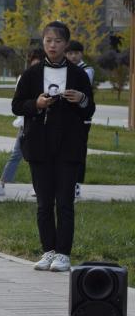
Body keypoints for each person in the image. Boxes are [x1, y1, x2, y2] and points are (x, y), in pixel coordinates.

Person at [12, 21, 94, 273]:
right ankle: (48, 250)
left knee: (65, 202)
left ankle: (63, 254)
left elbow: (89, 109)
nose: (53, 45)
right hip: (40, 145)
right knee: (44, 203)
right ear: (43, 42)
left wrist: (81, 99)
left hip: (68, 145)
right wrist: (36, 104)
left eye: (58, 41)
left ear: (66, 44)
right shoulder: (32, 74)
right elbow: (17, 105)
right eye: (48, 40)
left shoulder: (78, 74)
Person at [0, 48, 44, 197]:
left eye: (39, 65)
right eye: (33, 64)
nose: (35, 68)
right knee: (16, 154)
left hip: (43, 124)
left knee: (40, 157)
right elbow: (19, 103)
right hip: (26, 124)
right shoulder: (24, 78)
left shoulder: (48, 80)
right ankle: (2, 184)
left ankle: (39, 186)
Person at [65, 40, 94, 198]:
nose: (73, 56)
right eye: (70, 53)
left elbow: (80, 88)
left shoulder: (87, 70)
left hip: (83, 117)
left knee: (79, 152)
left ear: (81, 54)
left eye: (76, 53)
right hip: (67, 117)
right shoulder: (63, 68)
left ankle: (76, 184)